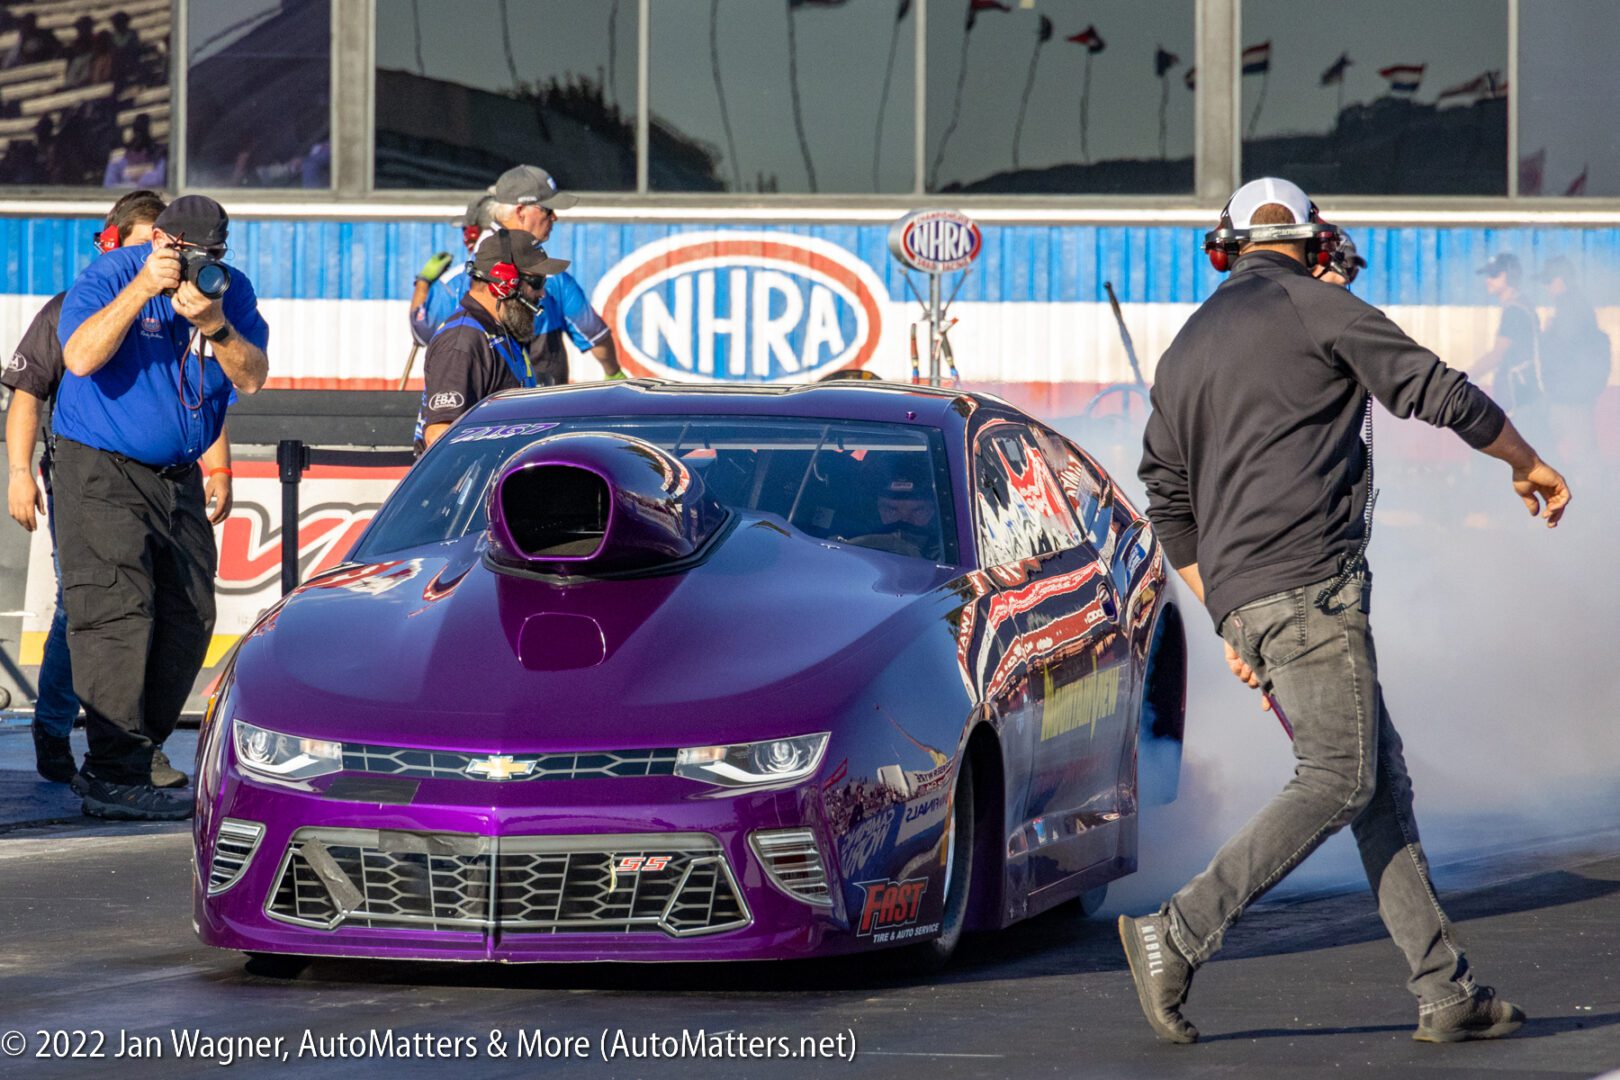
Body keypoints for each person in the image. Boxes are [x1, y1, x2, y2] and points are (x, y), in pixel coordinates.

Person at [1127, 177, 1569, 1046]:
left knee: (1377, 782)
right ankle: (1176, 933)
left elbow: (1167, 503)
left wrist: (1230, 620)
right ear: (1312, 240)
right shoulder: (1317, 307)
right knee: (1339, 777)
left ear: (1229, 247)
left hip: (1251, 598)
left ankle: (1445, 992)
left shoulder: (1183, 348)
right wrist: (1527, 461)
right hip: (1312, 592)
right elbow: (1437, 390)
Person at [5, 191, 235, 786]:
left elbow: (196, 395)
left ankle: (131, 748)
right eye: (146, 243)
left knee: (170, 610)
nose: (162, 258)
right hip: (91, 476)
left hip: (166, 478)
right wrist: (18, 472)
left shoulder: (195, 305)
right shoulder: (75, 304)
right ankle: (60, 732)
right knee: (96, 609)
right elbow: (28, 393)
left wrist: (220, 466)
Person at [53, 195, 268, 821]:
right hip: (101, 465)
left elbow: (252, 376)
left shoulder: (228, 292)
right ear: (161, 241)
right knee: (118, 612)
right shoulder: (113, 274)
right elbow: (80, 356)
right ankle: (109, 772)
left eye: (213, 253)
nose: (199, 262)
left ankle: (136, 753)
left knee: (191, 612)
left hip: (176, 476)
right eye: (186, 250)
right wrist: (144, 287)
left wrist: (217, 325)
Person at [415, 228, 569, 452]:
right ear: (505, 282)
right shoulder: (462, 342)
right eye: (537, 282)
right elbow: (439, 435)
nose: (542, 293)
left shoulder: (498, 332)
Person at [487, 164, 624, 383]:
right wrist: (614, 373)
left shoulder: (467, 272)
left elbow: (429, 330)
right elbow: (594, 333)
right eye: (547, 210)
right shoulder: (551, 278)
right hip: (540, 405)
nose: (555, 218)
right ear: (521, 211)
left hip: (484, 406)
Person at [1537, 255, 1611, 475]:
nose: (1547, 287)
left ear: (1559, 280)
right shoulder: (1576, 304)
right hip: (1572, 394)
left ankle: (1594, 503)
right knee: (1560, 447)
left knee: (1582, 455)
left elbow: (1563, 349)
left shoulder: (1570, 307)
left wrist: (1546, 334)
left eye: (1549, 281)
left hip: (1570, 396)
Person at [1475, 252, 1545, 444]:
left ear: (1510, 275)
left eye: (1494, 275)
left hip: (1520, 399)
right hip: (1526, 398)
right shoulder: (1521, 306)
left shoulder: (1515, 311)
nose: (1488, 280)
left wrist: (1464, 376)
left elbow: (1498, 355)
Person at [409, 194, 494, 348]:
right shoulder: (541, 274)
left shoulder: (454, 281)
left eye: (465, 229)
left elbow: (423, 332)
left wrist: (423, 281)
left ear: (473, 233)